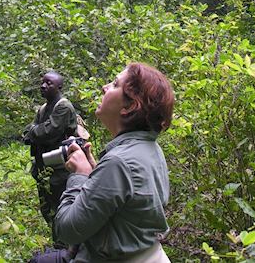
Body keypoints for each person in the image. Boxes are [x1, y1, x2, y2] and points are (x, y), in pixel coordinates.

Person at [47, 63, 175, 262]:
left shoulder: (119, 162)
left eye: (115, 84)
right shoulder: (150, 149)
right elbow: (126, 208)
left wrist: (79, 175)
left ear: (130, 106)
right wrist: (96, 173)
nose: (104, 87)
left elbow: (67, 231)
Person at [23, 71, 78, 227]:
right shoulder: (43, 108)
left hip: (61, 167)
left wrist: (32, 132)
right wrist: (33, 132)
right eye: (43, 82)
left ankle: (65, 244)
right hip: (43, 166)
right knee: (47, 207)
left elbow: (48, 131)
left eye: (49, 83)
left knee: (61, 206)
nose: (43, 86)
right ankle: (57, 241)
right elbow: (32, 130)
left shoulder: (64, 107)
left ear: (59, 87)